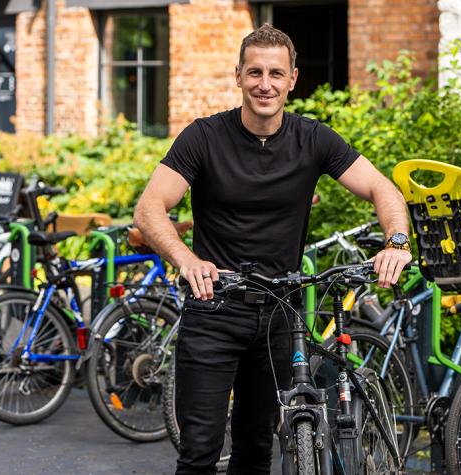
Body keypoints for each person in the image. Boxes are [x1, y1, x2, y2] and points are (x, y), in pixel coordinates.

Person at [133, 23, 412, 475]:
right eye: (255, 72)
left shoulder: (313, 138)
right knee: (199, 452)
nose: (266, 84)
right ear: (238, 75)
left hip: (281, 312)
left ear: (293, 79)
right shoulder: (203, 138)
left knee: (256, 448)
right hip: (213, 308)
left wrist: (396, 242)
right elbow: (149, 209)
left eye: (276, 74)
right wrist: (186, 259)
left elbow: (383, 189)